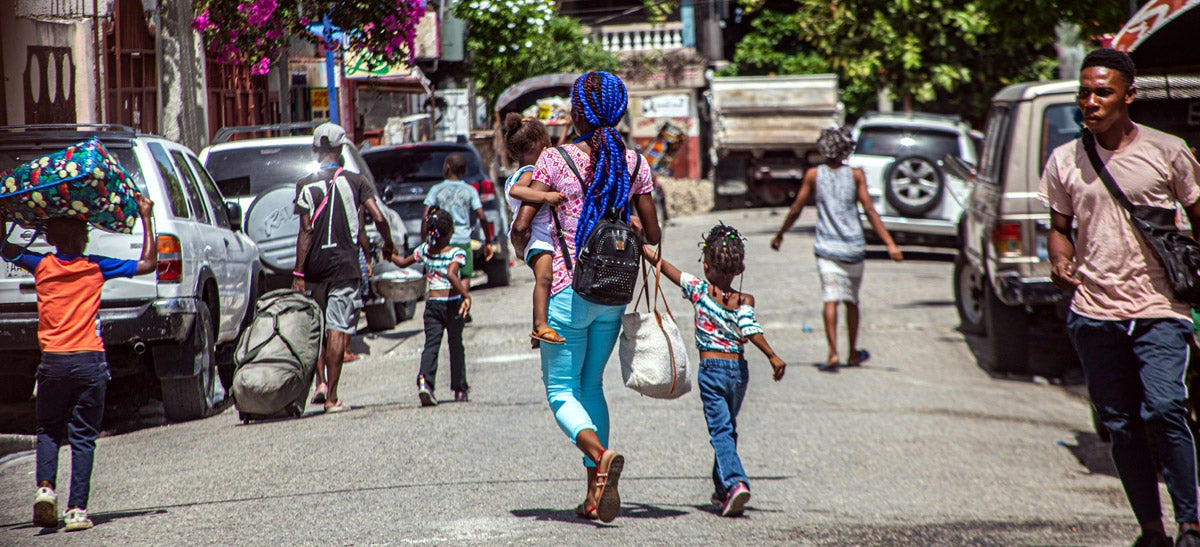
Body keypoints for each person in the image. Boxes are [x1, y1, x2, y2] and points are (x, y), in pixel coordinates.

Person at [1042, 48, 1200, 547]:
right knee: (1120, 424)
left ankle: (1191, 523)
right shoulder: (1064, 160)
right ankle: (1150, 529)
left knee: (1165, 407)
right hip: (1094, 310)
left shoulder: (1167, 151)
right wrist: (1060, 260)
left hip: (1159, 307)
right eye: (1084, 93)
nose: (1090, 102)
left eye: (1102, 92)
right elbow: (1059, 228)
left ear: (1128, 96)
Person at [519, 71, 662, 523]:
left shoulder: (554, 160)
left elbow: (523, 225)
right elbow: (653, 233)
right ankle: (594, 496)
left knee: (562, 390)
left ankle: (600, 457)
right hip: (613, 293)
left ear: (578, 112)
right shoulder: (635, 163)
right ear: (619, 111)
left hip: (564, 291)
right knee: (592, 386)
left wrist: (530, 252)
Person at [0, 195, 157, 532]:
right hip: (89, 360)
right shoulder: (95, 266)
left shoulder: (41, 265)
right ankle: (76, 511)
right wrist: (146, 216)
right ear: (83, 238)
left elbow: (4, 247)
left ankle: (45, 489)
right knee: (83, 436)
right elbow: (147, 265)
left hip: (53, 362)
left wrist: (5, 213)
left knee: (48, 430)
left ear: (52, 239)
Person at [642, 223, 786, 517]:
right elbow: (749, 328)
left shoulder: (698, 289)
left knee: (720, 430)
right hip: (738, 370)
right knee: (728, 429)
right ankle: (723, 491)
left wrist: (641, 246)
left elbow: (663, 267)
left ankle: (735, 483)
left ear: (706, 265)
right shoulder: (745, 300)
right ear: (740, 267)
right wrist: (771, 355)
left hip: (711, 371)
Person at [770, 126, 903, 372]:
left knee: (830, 298)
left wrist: (780, 235)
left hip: (826, 248)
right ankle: (852, 352)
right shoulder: (856, 175)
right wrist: (890, 244)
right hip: (853, 247)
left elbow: (797, 208)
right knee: (851, 301)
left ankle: (832, 353)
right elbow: (870, 210)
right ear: (847, 149)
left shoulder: (813, 175)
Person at [292, 122, 395, 413]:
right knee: (337, 329)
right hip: (344, 267)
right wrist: (387, 243)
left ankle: (320, 384)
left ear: (315, 149)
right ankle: (333, 399)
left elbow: (306, 231)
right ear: (340, 149)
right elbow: (377, 217)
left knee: (319, 327)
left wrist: (299, 273)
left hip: (314, 268)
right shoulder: (357, 181)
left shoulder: (304, 185)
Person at [388, 209, 471, 405]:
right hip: (452, 305)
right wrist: (466, 295)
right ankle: (459, 389)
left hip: (432, 305)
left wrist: (390, 255)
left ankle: (425, 382)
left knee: (431, 345)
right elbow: (452, 274)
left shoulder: (424, 249)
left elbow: (402, 263)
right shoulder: (456, 253)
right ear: (451, 230)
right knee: (455, 345)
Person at [502, 113, 566, 348]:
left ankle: (536, 328)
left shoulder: (526, 167)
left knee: (543, 281)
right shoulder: (530, 171)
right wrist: (545, 196)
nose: (549, 148)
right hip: (537, 234)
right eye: (546, 145)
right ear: (534, 148)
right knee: (545, 278)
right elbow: (517, 191)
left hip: (535, 235)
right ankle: (540, 325)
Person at [421, 153, 494, 295]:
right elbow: (482, 216)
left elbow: (425, 217)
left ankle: (449, 304)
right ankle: (462, 305)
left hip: (442, 241)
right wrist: (488, 242)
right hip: (463, 240)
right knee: (465, 275)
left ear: (447, 168)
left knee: (444, 274)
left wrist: (425, 242)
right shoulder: (470, 190)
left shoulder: (436, 189)